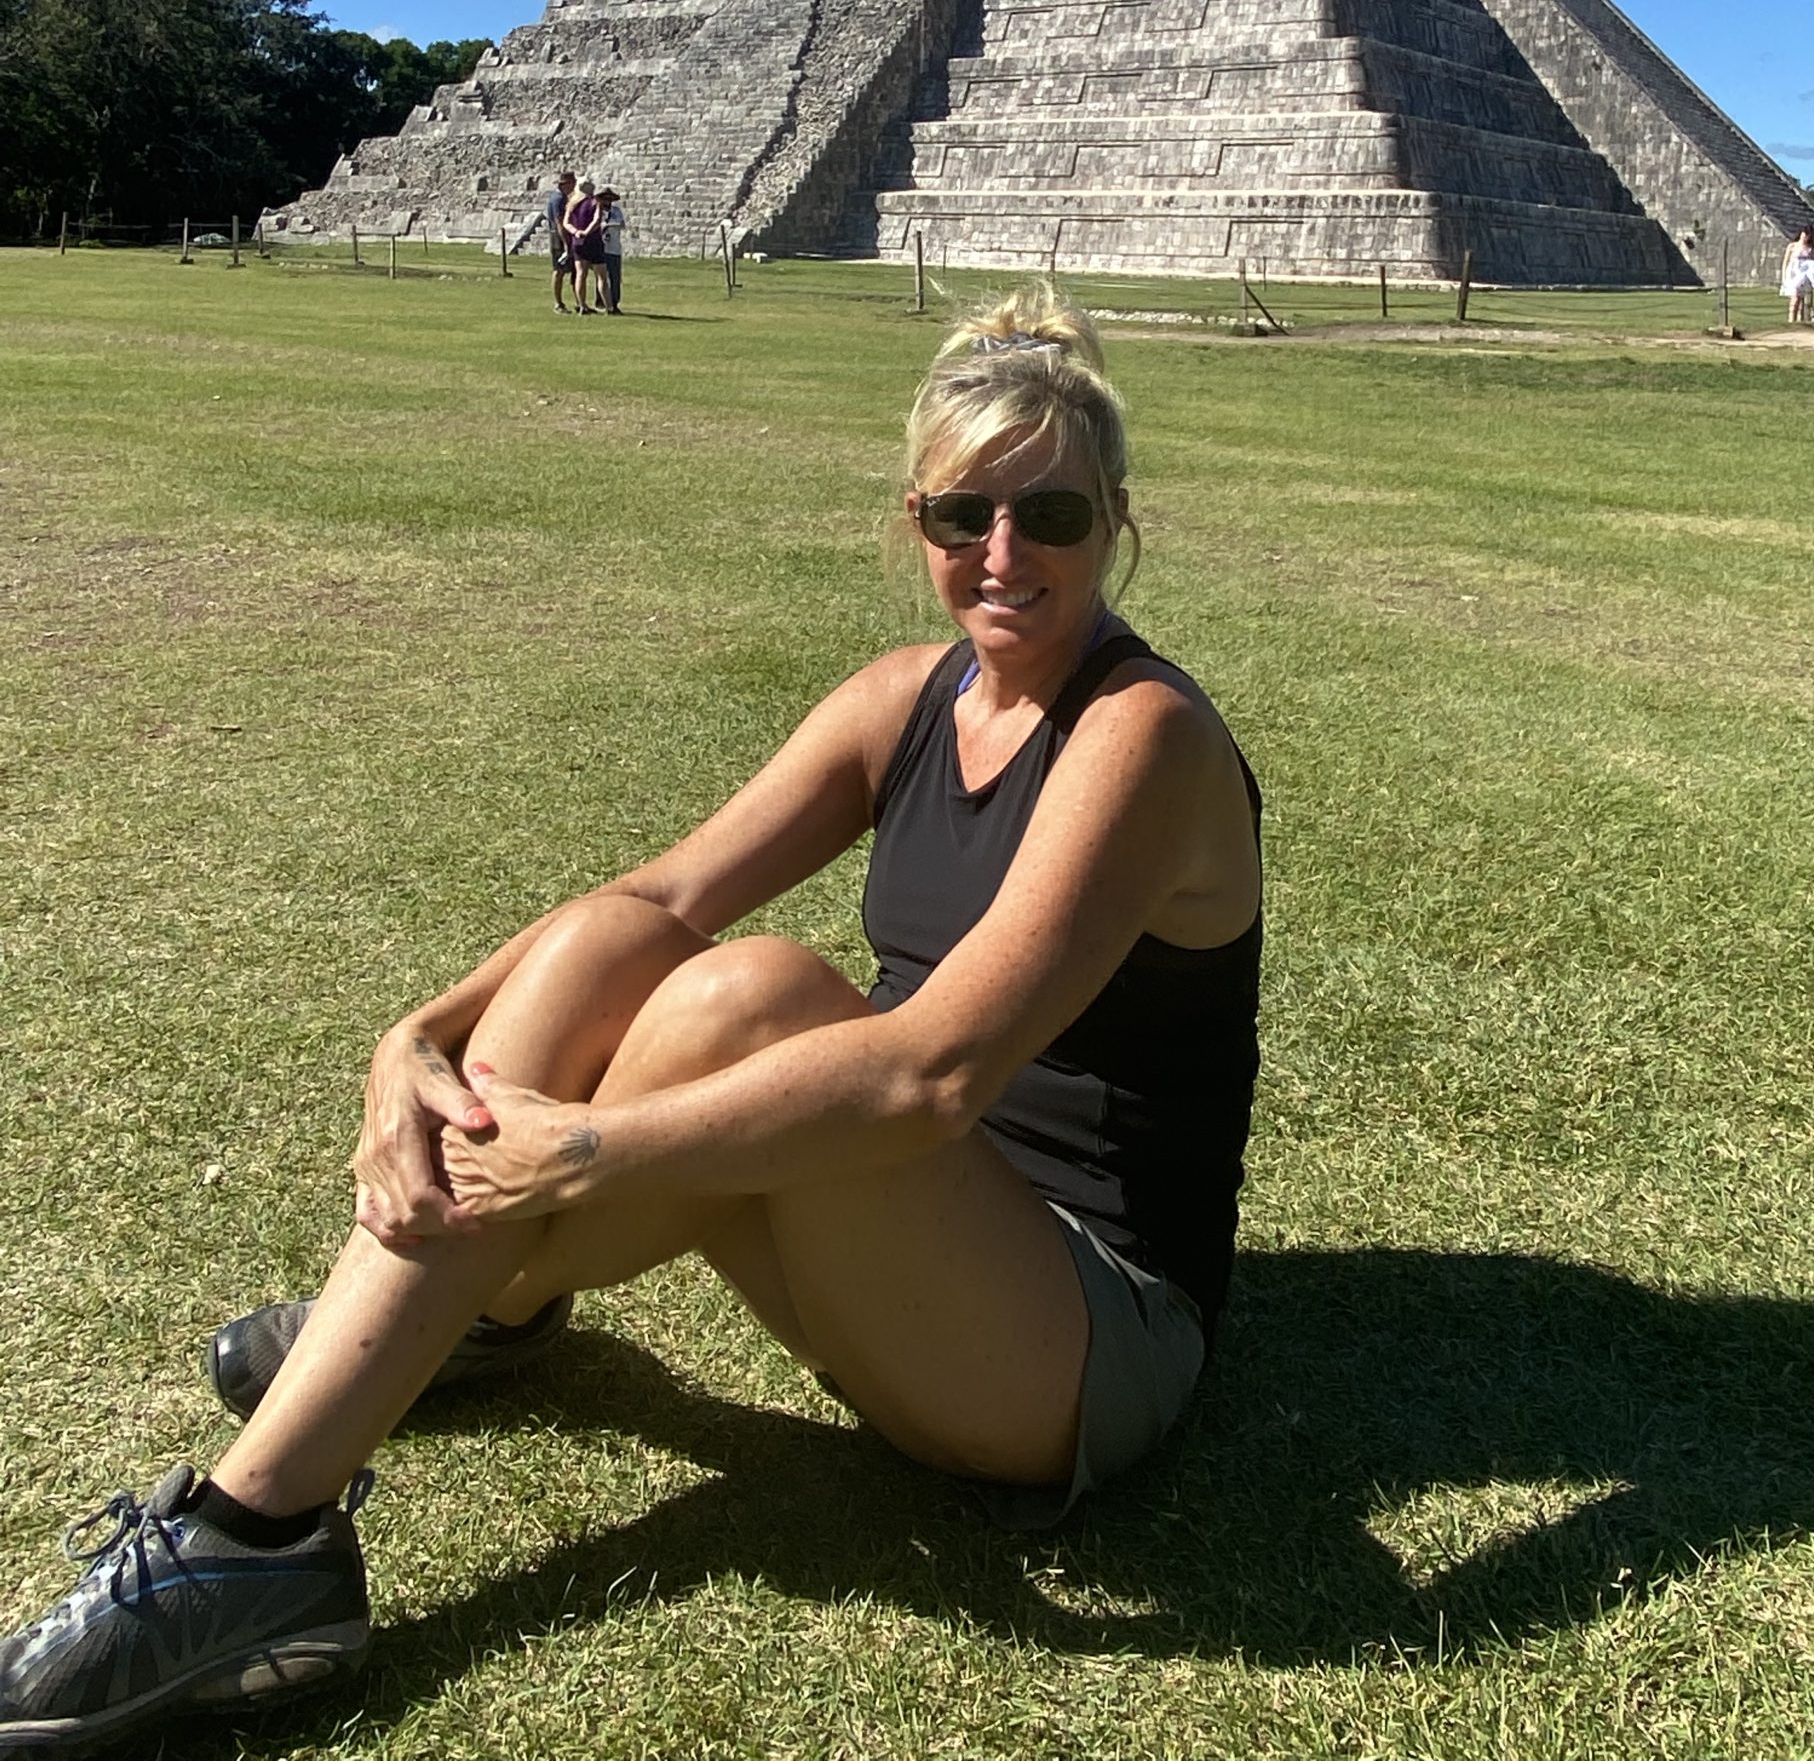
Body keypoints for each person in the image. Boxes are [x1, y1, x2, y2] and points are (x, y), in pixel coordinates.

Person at [0, 290, 1264, 1747]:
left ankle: (281, 1499)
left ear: (1116, 517)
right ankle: (433, 1345)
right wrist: (412, 1032)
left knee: (755, 996)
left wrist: (590, 1154)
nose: (1003, 555)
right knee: (628, 938)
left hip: (1079, 1334)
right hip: (891, 1237)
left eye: (1050, 512)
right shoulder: (900, 701)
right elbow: (654, 898)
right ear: (911, 522)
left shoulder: (1146, 734)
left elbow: (930, 1079)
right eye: (960, 513)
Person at [565, 178, 607, 314]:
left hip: (577, 242)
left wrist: (576, 232)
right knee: (601, 275)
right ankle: (609, 306)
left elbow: (566, 223)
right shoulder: (595, 202)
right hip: (593, 241)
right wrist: (586, 232)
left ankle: (582, 305)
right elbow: (597, 220)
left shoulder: (572, 203)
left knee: (580, 274)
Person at [1779, 226, 1814, 329]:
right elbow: (1786, 261)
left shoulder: (1809, 248)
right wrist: (1784, 275)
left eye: (1808, 235)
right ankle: (1791, 321)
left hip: (1803, 274)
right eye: (1804, 234)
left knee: (1801, 299)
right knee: (1795, 298)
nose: (1805, 236)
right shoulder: (1792, 246)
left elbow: (1812, 261)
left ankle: (1800, 322)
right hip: (1793, 273)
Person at [545, 172, 577, 316]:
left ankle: (578, 301)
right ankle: (558, 303)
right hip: (559, 237)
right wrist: (566, 243)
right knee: (559, 270)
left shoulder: (559, 197)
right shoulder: (558, 199)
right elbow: (559, 222)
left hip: (559, 235)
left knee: (571, 270)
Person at [601, 188, 627, 314]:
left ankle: (615, 302)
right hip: (601, 248)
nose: (607, 201)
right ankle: (601, 302)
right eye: (605, 198)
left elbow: (622, 224)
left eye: (609, 199)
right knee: (601, 277)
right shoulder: (597, 212)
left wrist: (609, 225)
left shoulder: (616, 211)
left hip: (614, 248)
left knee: (615, 277)